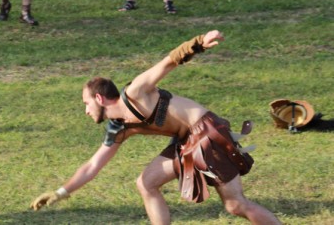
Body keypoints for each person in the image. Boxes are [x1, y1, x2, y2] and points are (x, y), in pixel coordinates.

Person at [30, 30, 281, 224]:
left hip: (207, 134)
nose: (85, 110)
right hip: (188, 142)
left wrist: (200, 41)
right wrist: (60, 192)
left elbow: (169, 61)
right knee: (146, 183)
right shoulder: (119, 127)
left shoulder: (136, 92)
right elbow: (93, 165)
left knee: (235, 205)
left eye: (86, 103)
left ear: (99, 98)